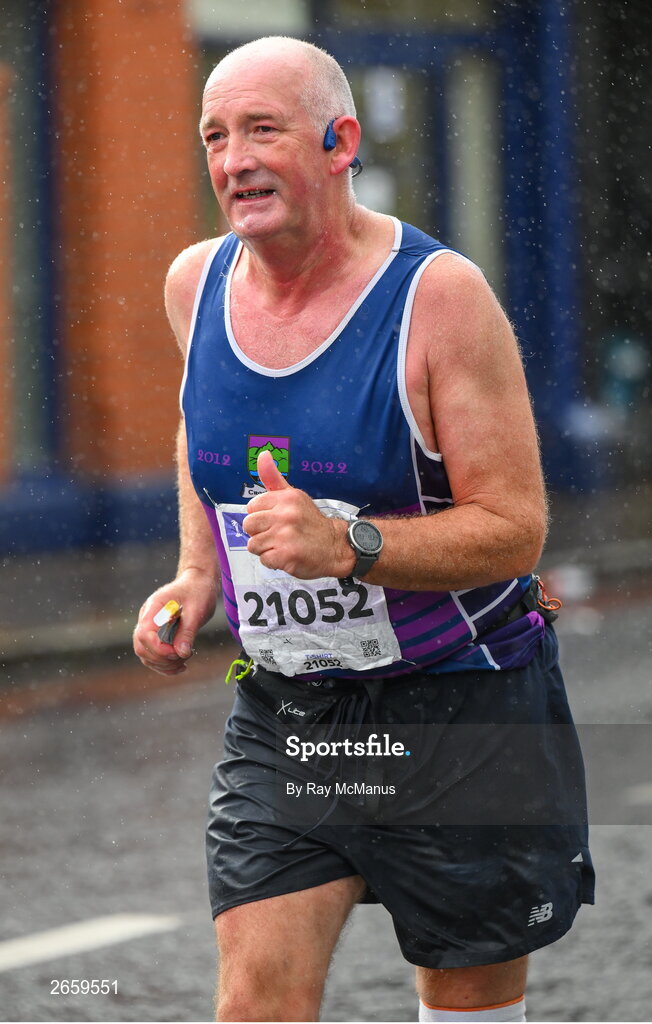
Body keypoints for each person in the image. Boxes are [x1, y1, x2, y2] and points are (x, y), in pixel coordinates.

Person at [133, 36, 594, 1023]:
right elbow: (197, 427)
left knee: (465, 1007)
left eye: (263, 129)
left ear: (341, 140)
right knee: (254, 998)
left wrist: (352, 547)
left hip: (463, 710)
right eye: (215, 136)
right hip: (294, 711)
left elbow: (515, 530)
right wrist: (195, 572)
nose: (233, 159)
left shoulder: (439, 301)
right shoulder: (194, 287)